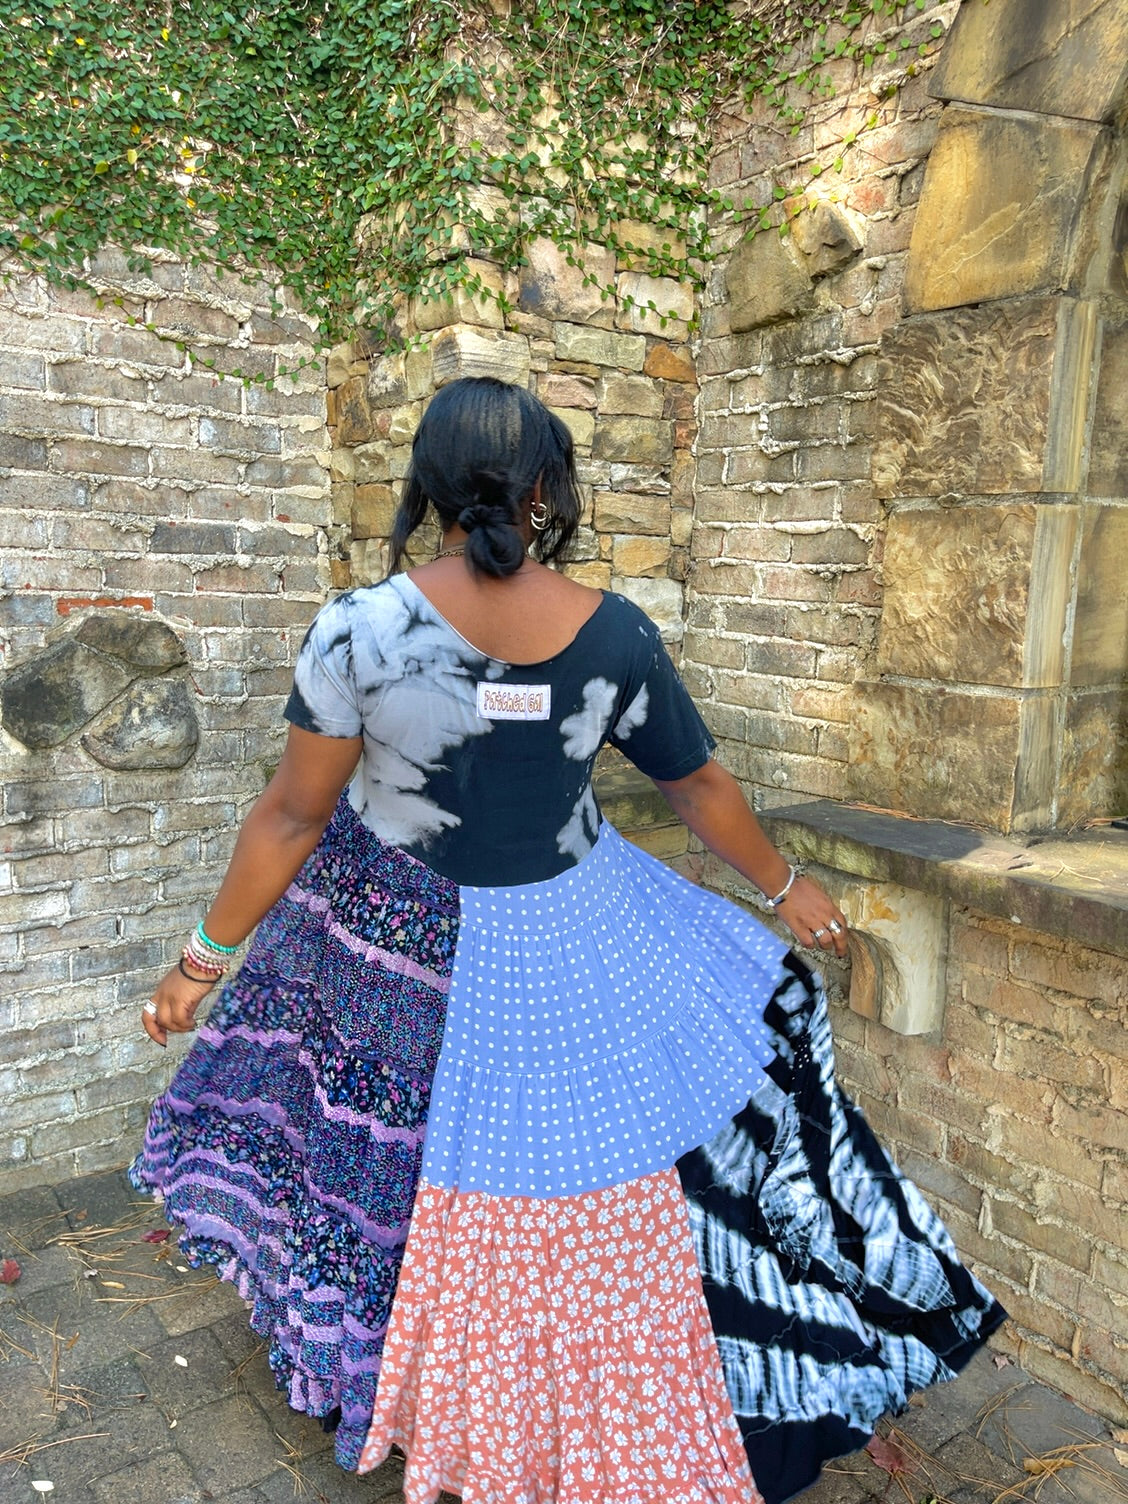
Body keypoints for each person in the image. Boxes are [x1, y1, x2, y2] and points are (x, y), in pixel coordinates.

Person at [134, 376, 1004, 1504]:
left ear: (429, 485)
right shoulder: (615, 634)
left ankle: (405, 1384)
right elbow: (695, 785)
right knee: (582, 1170)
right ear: (543, 487)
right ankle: (598, 1391)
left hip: (387, 939)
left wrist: (202, 962)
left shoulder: (359, 629)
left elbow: (293, 815)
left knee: (379, 1158)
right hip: (572, 930)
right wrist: (785, 888)